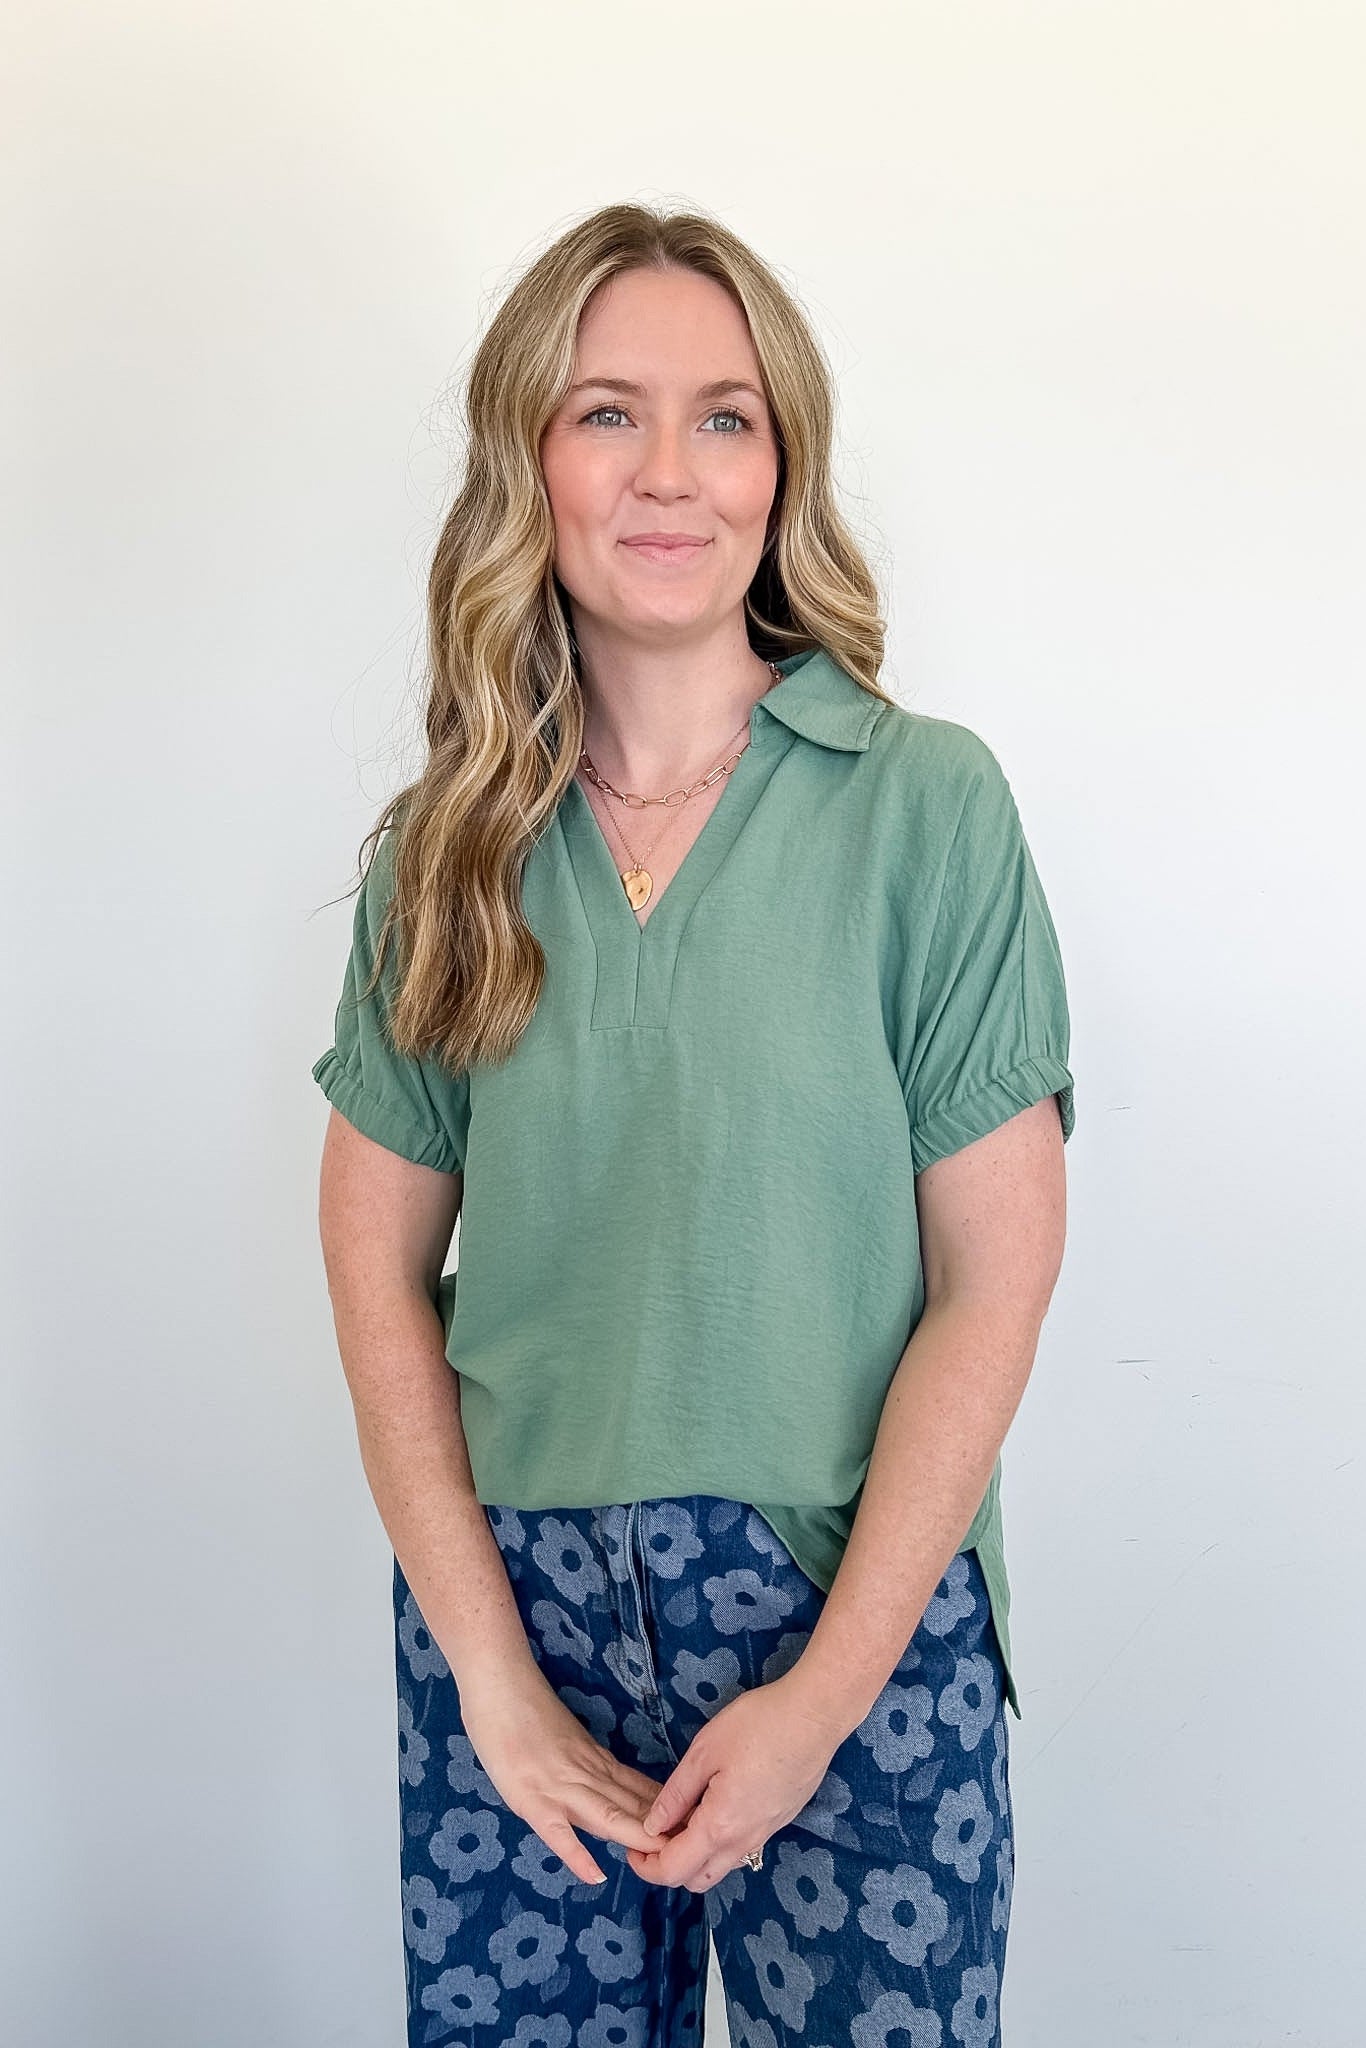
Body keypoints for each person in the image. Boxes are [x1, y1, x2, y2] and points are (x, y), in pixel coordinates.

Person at [311, 202, 1075, 2048]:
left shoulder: (923, 811)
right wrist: (488, 1675)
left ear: (783, 466)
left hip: (850, 1612)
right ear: (527, 462)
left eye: (724, 417)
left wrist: (818, 1699)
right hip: (518, 1627)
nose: (670, 472)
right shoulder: (447, 852)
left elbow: (994, 1275)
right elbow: (371, 1265)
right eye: (606, 414)